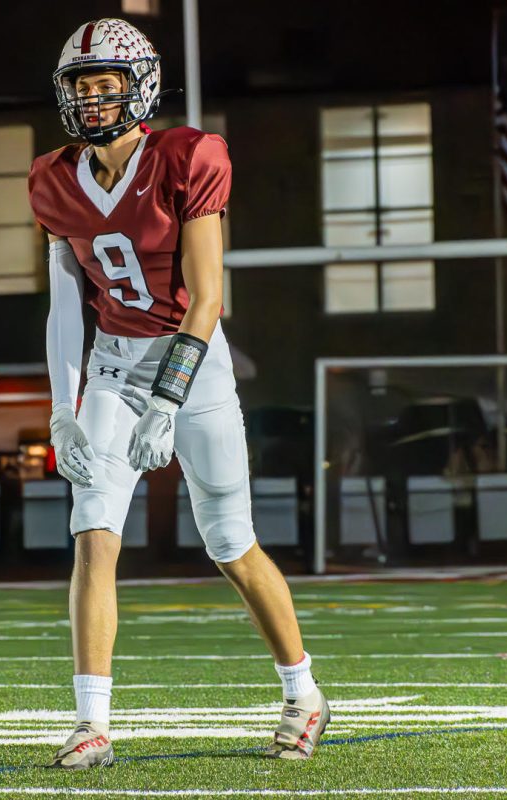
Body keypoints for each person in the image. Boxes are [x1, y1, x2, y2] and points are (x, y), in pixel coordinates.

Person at [28, 18, 329, 769]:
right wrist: (63, 410)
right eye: (82, 87)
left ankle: (303, 692)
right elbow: (66, 306)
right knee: (93, 530)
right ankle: (92, 722)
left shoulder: (190, 155)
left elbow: (206, 297)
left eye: (108, 86)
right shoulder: (53, 179)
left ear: (142, 87)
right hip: (112, 364)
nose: (94, 101)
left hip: (191, 364)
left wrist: (167, 399)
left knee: (230, 540)